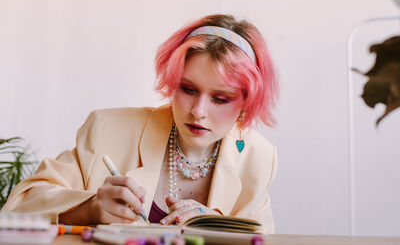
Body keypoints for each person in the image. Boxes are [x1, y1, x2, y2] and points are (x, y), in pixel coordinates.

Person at [2, 14, 279, 234]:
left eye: (220, 98)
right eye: (188, 89)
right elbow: (18, 206)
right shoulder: (108, 129)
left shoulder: (258, 157)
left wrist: (215, 228)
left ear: (246, 102)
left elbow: (261, 236)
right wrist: (89, 209)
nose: (198, 111)